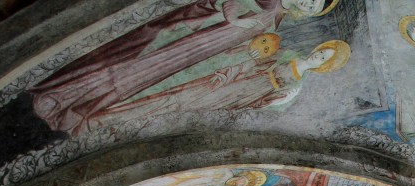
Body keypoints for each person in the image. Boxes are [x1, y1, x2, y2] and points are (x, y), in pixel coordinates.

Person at [28, 0, 341, 134]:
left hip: (197, 55)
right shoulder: (270, 6)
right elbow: (229, 7)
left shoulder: (277, 19)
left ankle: (77, 108)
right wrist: (234, 17)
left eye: (313, 6)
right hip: (188, 38)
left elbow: (249, 50)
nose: (308, 2)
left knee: (140, 81)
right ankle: (62, 94)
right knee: (128, 63)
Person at [81, 40, 351, 129]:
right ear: (319, 47)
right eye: (322, 51)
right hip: (230, 84)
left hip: (240, 98)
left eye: (324, 59)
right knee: (178, 97)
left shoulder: (298, 86)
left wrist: (277, 100)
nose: (319, 56)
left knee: (187, 112)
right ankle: (110, 117)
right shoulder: (286, 54)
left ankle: (127, 124)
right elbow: (251, 60)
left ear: (324, 66)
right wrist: (226, 74)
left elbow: (267, 106)